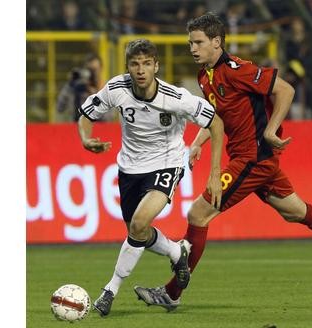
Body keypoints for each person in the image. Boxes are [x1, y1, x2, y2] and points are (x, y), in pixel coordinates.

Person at [134, 13, 312, 312]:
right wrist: (199, 141)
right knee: (296, 211)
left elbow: (285, 90)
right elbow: (218, 116)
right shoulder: (205, 76)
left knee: (198, 214)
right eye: (190, 42)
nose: (193, 48)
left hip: (253, 157)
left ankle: (172, 292)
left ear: (216, 42)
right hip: (250, 158)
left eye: (198, 42)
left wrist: (270, 128)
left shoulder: (238, 69)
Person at [76, 39, 224, 316]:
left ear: (156, 66)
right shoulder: (117, 89)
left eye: (146, 64)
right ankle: (177, 252)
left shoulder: (176, 98)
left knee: (140, 223)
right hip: (129, 169)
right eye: (135, 64)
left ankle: (110, 289)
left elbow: (216, 122)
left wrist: (215, 173)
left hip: (167, 164)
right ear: (128, 67)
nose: (141, 70)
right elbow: (85, 114)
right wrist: (86, 139)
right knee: (138, 230)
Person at [57, 53, 111, 122]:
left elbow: (107, 118)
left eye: (94, 70)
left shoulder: (107, 87)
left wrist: (94, 96)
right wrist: (70, 85)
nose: (91, 73)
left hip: (100, 129)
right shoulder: (78, 87)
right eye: (89, 70)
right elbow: (60, 107)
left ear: (101, 68)